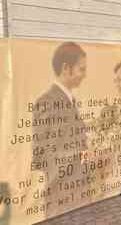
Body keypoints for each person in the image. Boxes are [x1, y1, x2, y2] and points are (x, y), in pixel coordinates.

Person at [32, 42, 90, 201]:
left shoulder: (69, 99)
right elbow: (39, 152)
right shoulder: (46, 101)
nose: (84, 74)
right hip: (62, 196)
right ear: (66, 68)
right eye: (82, 69)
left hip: (77, 191)